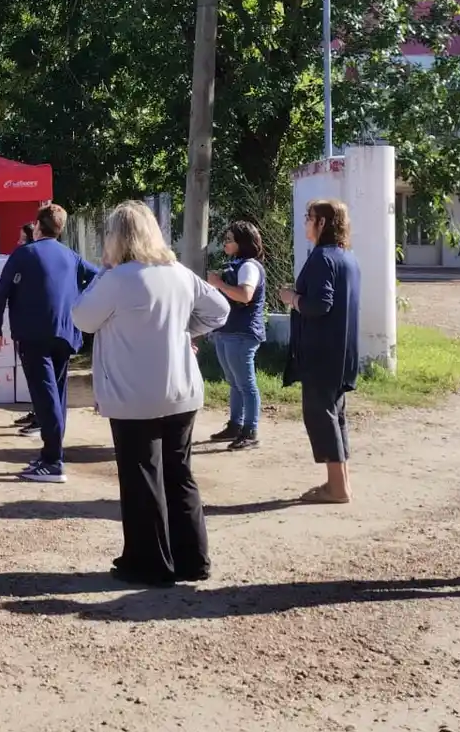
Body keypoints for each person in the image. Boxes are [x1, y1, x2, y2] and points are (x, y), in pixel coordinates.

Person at [73, 201, 229, 586]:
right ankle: (194, 559)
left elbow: (82, 317)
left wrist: (101, 274)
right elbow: (220, 310)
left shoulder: (117, 278)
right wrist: (183, 331)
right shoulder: (178, 273)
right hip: (181, 390)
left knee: (141, 476)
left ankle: (150, 563)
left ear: (116, 238)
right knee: (179, 474)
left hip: (133, 393)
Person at [0, 203, 101, 482]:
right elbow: (98, 276)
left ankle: (53, 460)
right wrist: (77, 297)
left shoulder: (24, 254)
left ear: (38, 226)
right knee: (57, 393)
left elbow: (1, 293)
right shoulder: (71, 255)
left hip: (32, 333)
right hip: (65, 332)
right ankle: (53, 453)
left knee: (45, 395)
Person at [279, 198, 362, 505]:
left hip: (320, 352)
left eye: (309, 217)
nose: (305, 222)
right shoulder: (347, 258)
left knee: (321, 416)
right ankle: (341, 482)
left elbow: (319, 305)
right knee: (335, 416)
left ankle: (337, 488)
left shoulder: (321, 259)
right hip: (342, 351)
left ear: (323, 223)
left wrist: (292, 297)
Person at [206, 221, 266, 451]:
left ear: (242, 243)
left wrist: (219, 284)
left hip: (242, 332)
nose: (225, 243)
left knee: (246, 384)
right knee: (234, 382)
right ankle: (236, 424)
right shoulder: (237, 265)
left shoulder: (249, 266)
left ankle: (250, 430)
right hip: (228, 331)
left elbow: (245, 295)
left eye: (230, 239)